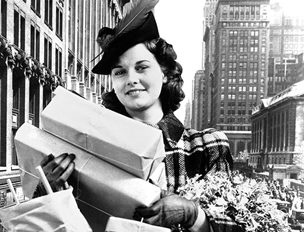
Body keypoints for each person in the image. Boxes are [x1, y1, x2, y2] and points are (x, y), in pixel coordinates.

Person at [34, 0, 243, 231]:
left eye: (141, 67)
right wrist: (47, 192)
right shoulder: (86, 146)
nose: (131, 79)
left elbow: (235, 226)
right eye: (120, 72)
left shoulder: (206, 147)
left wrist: (193, 214)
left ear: (164, 73)